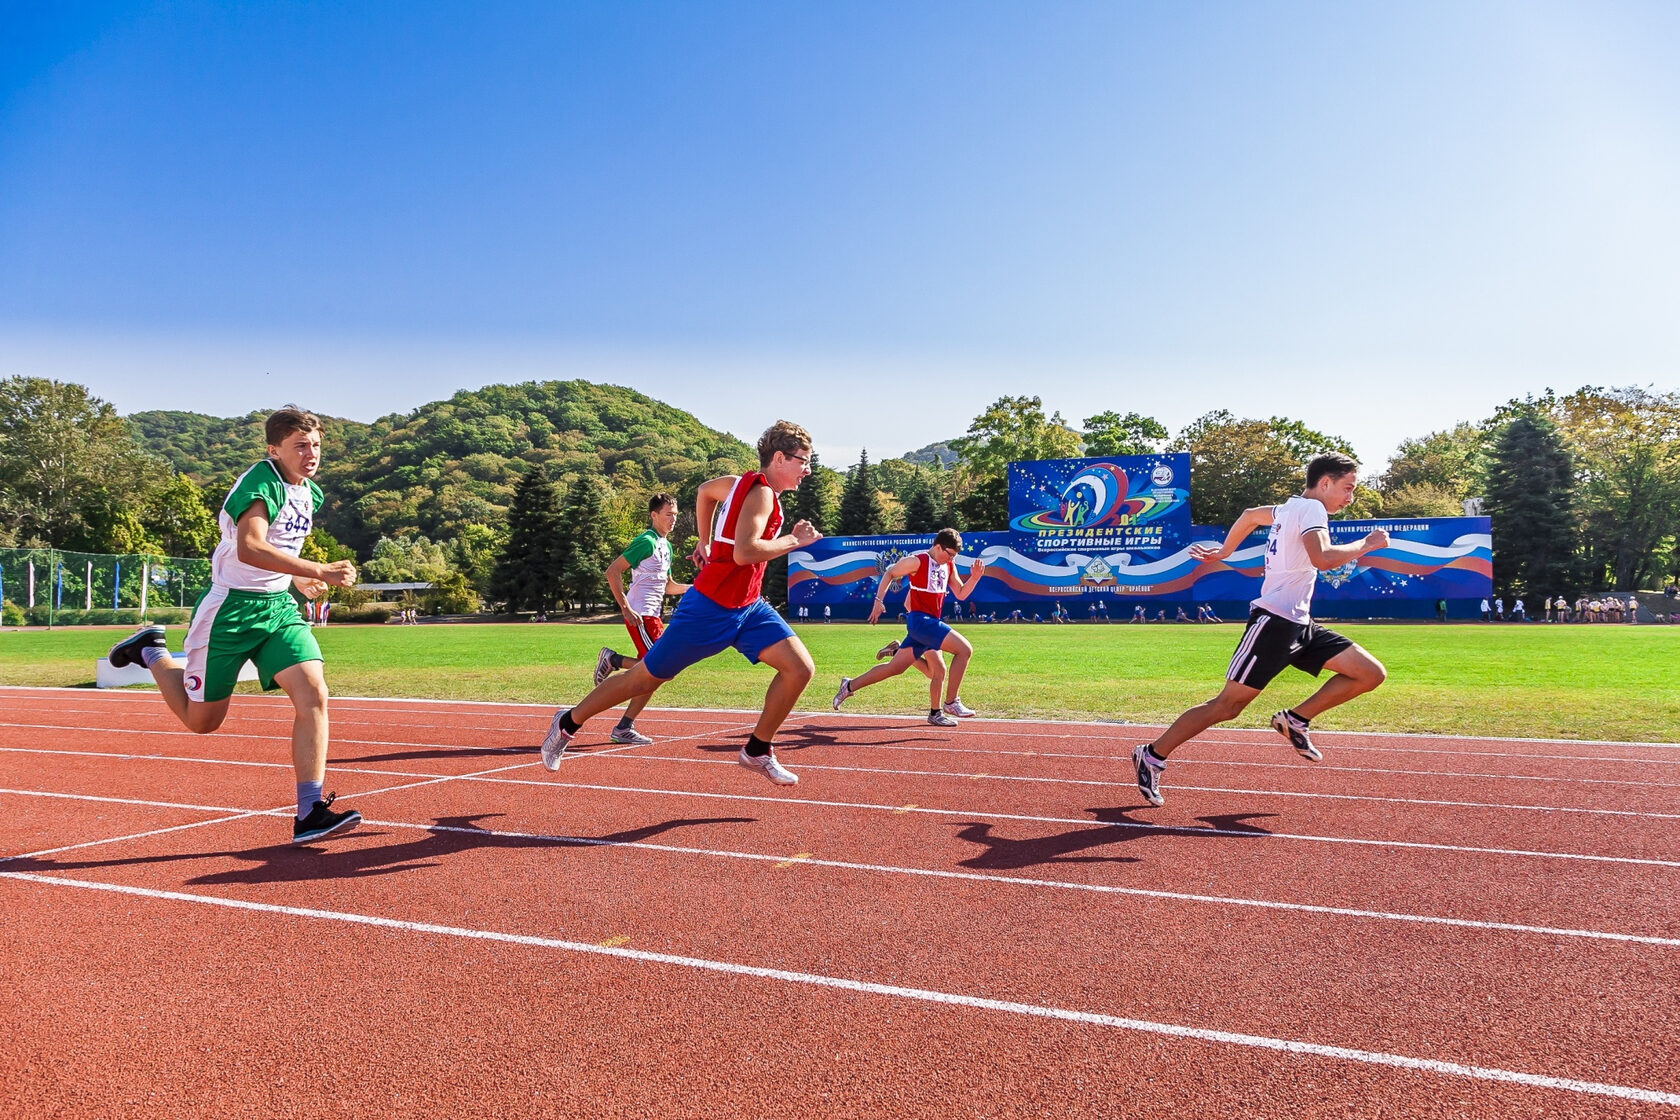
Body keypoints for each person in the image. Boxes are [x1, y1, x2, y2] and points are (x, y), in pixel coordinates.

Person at [106, 407, 362, 843]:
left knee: (313, 692)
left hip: (278, 608)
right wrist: (318, 569)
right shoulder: (263, 482)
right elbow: (249, 547)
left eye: (316, 445)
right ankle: (151, 650)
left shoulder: (309, 493)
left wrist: (296, 577)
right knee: (202, 722)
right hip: (230, 612)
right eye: (300, 446)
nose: (310, 454)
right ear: (273, 449)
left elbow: (278, 547)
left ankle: (309, 811)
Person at [538, 421, 820, 785]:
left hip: (748, 607)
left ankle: (757, 750)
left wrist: (704, 541)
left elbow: (704, 492)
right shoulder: (761, 494)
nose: (807, 470)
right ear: (779, 458)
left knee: (799, 668)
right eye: (803, 461)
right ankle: (568, 721)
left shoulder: (737, 483)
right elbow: (745, 552)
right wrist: (794, 541)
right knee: (642, 679)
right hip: (709, 608)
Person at [1133, 453, 1389, 808]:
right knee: (1227, 705)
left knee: (1369, 673)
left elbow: (1250, 515)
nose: (1350, 498)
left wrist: (1224, 550)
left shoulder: (1288, 508)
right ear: (1325, 482)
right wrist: (1368, 544)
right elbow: (1323, 559)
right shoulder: (1312, 510)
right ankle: (1152, 755)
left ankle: (1295, 720)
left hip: (1301, 624)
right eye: (1347, 489)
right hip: (1274, 622)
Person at [832, 528, 985, 725]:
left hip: (929, 624)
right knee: (964, 650)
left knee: (902, 669)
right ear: (938, 547)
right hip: (921, 622)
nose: (951, 559)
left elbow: (962, 594)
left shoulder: (948, 566)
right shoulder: (917, 560)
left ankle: (849, 686)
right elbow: (889, 572)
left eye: (954, 556)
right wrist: (878, 600)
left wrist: (975, 577)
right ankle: (951, 702)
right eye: (949, 554)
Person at [590, 493, 692, 745]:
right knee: (658, 670)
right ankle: (623, 723)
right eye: (668, 514)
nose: (673, 520)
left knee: (658, 671)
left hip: (653, 616)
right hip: (640, 614)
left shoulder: (666, 546)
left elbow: (668, 586)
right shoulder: (646, 541)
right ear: (654, 515)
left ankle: (624, 721)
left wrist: (695, 587)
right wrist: (625, 607)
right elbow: (612, 571)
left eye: (675, 515)